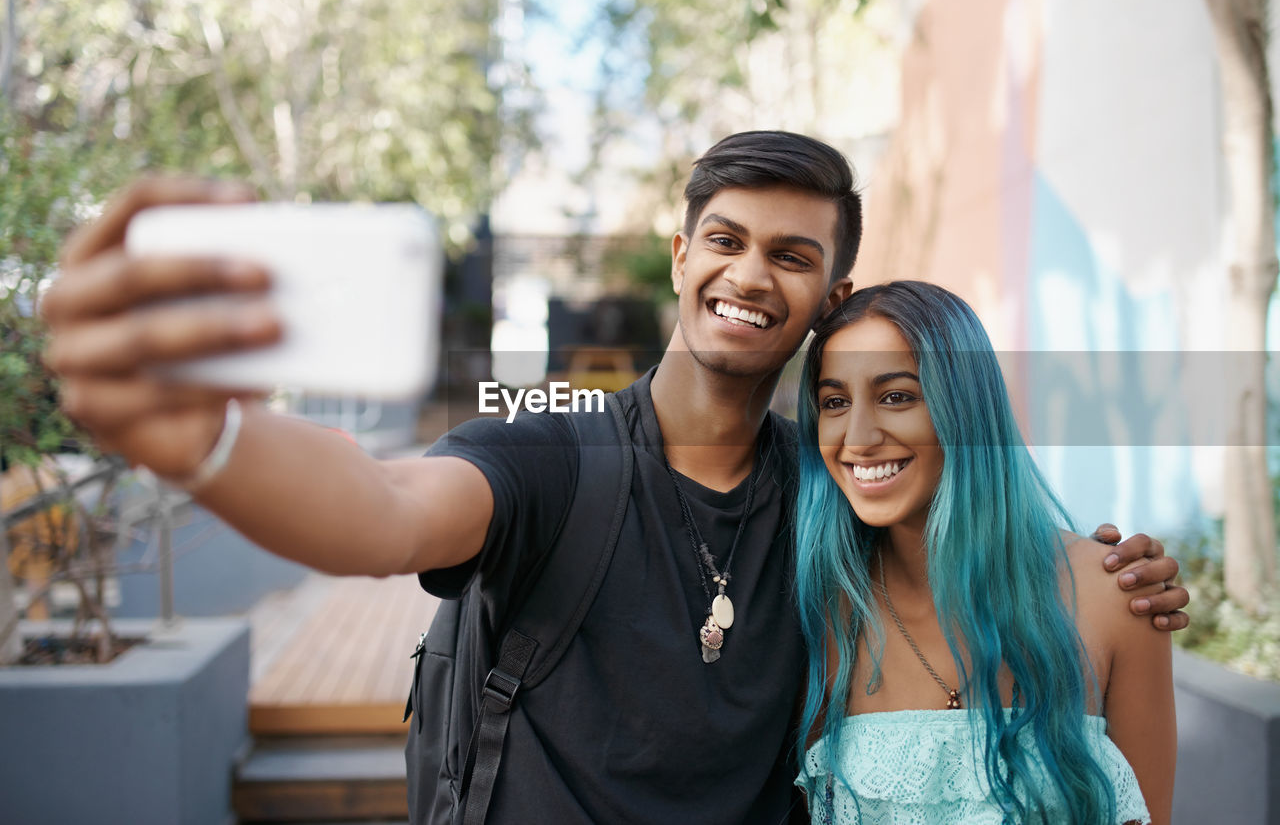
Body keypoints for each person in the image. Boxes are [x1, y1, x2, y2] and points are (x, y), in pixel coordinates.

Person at [39, 131, 1187, 823]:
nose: (749, 271)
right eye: (725, 238)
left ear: (830, 297)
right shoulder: (553, 451)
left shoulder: (831, 494)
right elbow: (379, 511)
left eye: (791, 254)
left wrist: (1110, 574)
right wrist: (206, 442)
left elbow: (958, 543)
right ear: (681, 254)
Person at [792, 281, 1174, 824]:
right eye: (834, 402)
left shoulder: (1118, 596)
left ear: (965, 405)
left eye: (896, 396)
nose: (858, 436)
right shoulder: (822, 609)